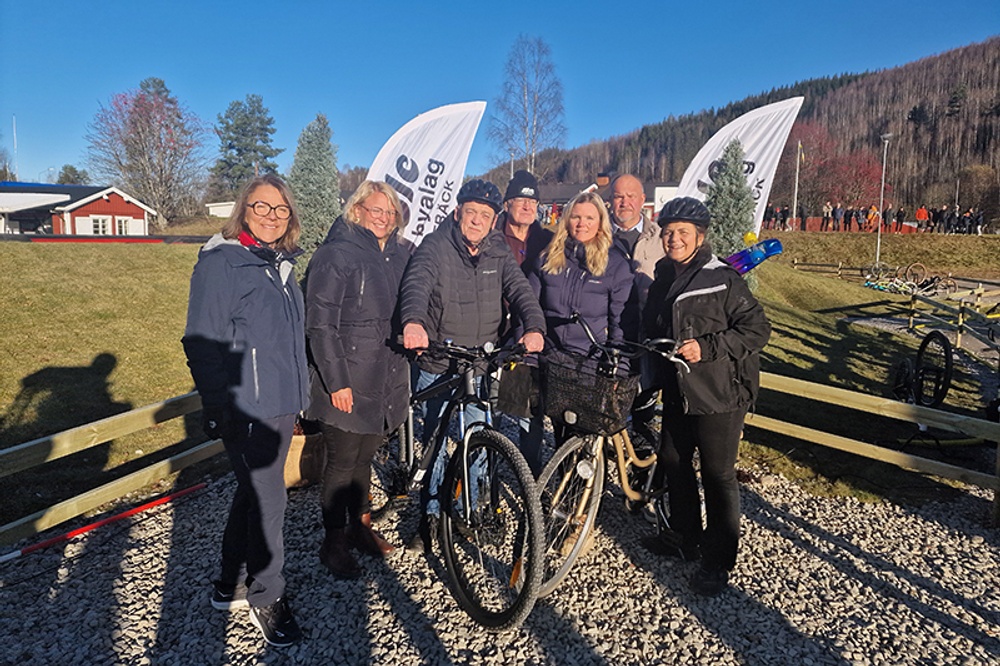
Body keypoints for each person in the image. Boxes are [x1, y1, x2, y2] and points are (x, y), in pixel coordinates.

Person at [182, 174, 308, 647]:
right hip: (246, 408)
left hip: (279, 403)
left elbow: (289, 343)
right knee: (269, 501)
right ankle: (267, 595)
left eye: (281, 210)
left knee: (254, 494)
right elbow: (201, 342)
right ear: (243, 210)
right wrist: (218, 408)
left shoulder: (280, 265)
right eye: (262, 207)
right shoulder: (223, 264)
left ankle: (227, 585)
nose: (272, 217)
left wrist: (301, 399)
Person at [399, 178, 546, 551]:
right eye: (471, 212)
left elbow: (521, 291)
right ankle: (430, 515)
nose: (477, 220)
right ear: (457, 213)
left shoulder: (498, 252)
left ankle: (470, 510)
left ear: (495, 220)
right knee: (435, 442)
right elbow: (416, 283)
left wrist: (535, 327)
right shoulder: (436, 246)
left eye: (485, 215)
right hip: (439, 360)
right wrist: (413, 320)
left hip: (480, 362)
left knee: (478, 439)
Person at [641, 197, 770, 597]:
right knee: (674, 462)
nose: (673, 239)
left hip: (719, 393)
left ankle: (718, 560)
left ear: (700, 236)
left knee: (717, 475)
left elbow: (757, 330)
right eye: (668, 232)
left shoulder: (722, 278)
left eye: (682, 233)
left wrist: (708, 347)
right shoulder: (663, 274)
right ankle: (685, 535)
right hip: (679, 389)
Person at [304, 181, 410, 579]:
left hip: (383, 376)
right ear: (357, 209)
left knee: (365, 458)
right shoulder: (336, 254)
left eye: (389, 212)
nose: (383, 218)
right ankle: (333, 540)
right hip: (346, 376)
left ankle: (360, 526)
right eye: (375, 209)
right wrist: (336, 380)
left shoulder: (398, 255)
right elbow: (320, 322)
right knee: (341, 460)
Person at [522, 191, 634, 463]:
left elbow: (621, 322)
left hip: (590, 364)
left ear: (600, 222)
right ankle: (558, 492)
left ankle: (586, 500)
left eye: (589, 218)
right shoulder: (547, 259)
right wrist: (527, 354)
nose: (581, 223)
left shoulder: (615, 264)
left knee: (584, 439)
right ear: (566, 220)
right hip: (552, 359)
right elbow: (529, 309)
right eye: (576, 216)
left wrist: (619, 368)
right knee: (560, 434)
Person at [609, 174, 665, 448]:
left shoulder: (661, 239)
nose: (625, 202)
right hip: (609, 341)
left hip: (647, 342)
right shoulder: (597, 235)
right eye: (619, 196)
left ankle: (643, 485)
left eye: (631, 196)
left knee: (643, 419)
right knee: (604, 418)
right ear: (610, 201)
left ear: (643, 200)